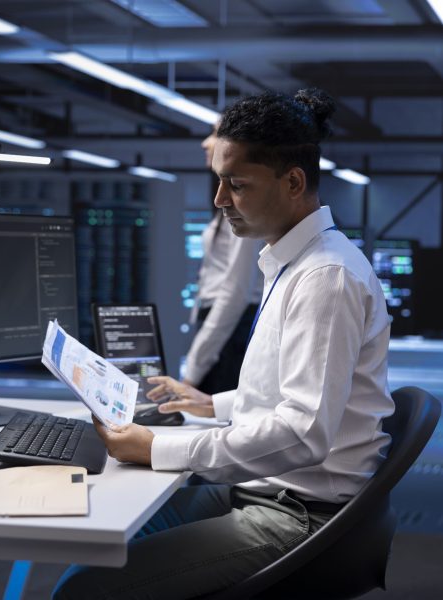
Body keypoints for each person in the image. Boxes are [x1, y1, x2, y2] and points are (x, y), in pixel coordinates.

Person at [53, 89, 395, 600]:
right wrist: (210, 402)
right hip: (268, 491)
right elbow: (303, 392)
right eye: (219, 182)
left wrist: (159, 447)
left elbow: (304, 433)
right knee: (105, 543)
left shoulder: (327, 276)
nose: (219, 201)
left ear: (294, 183)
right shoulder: (294, 262)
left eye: (236, 185)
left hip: (295, 514)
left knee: (83, 590)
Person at [183, 122, 263, 393]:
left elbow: (236, 291)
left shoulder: (243, 210)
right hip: (222, 324)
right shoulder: (227, 206)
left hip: (230, 327)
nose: (206, 143)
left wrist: (193, 369)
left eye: (216, 134)